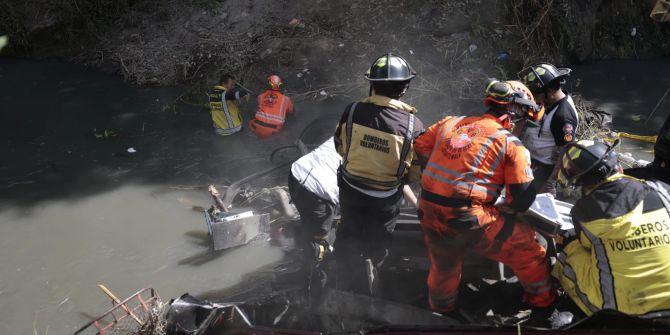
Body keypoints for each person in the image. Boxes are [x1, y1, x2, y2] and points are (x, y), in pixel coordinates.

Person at [413, 80, 556, 321]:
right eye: (525, 122)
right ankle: (543, 305)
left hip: (428, 210)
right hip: (469, 220)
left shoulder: (451, 123)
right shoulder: (510, 144)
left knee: (444, 264)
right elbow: (518, 203)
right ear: (514, 112)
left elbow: (420, 144)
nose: (523, 128)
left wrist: (444, 180)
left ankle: (441, 309)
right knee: (531, 249)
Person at [333, 53, 424, 295]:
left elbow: (340, 147)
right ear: (404, 88)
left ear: (372, 84)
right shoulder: (414, 125)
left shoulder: (352, 111)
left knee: (348, 232)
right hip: (385, 198)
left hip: (351, 189)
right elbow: (414, 172)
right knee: (379, 241)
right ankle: (371, 282)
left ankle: (338, 279)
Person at [553, 139, 670, 318]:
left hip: (623, 310)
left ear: (583, 184)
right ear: (619, 167)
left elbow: (587, 246)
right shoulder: (660, 189)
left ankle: (566, 307)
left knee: (570, 251)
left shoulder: (583, 211)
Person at [288, 137, 341, 290]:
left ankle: (305, 267)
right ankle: (313, 285)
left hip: (296, 176)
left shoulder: (346, 127)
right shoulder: (372, 155)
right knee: (318, 243)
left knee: (309, 228)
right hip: (318, 192)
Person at [518, 63, 579, 195]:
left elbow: (565, 151)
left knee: (534, 206)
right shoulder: (547, 102)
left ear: (550, 92)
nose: (533, 98)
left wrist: (551, 181)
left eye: (536, 94)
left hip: (544, 168)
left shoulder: (562, 116)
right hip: (529, 159)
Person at [249, 75, 294, 139]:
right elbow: (291, 113)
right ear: (280, 86)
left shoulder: (260, 97)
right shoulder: (286, 100)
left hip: (256, 129)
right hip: (274, 133)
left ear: (268, 85)